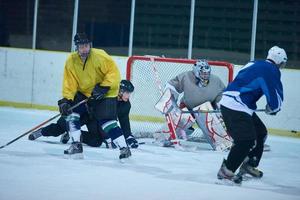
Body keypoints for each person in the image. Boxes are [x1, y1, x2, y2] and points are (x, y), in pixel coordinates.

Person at [28, 33, 131, 159]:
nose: (84, 49)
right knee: (70, 116)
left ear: (90, 45)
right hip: (85, 95)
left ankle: (124, 149)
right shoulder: (71, 61)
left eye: (87, 46)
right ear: (76, 47)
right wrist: (66, 99)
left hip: (105, 94)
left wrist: (104, 86)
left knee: (107, 122)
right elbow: (69, 83)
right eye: (81, 46)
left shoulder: (100, 56)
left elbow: (113, 73)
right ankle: (76, 145)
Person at [217, 46, 287, 184]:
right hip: (236, 105)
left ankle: (249, 164)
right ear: (280, 61)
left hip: (235, 103)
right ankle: (226, 172)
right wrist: (273, 108)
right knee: (245, 141)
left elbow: (242, 81)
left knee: (260, 132)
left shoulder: (254, 62)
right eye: (283, 63)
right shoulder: (272, 70)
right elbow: (275, 94)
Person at [29, 80, 139, 149]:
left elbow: (124, 121)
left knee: (96, 141)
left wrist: (128, 136)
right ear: (120, 91)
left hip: (95, 119)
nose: (129, 96)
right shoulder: (108, 96)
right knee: (60, 127)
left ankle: (72, 133)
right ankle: (42, 132)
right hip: (84, 112)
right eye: (127, 93)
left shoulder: (125, 105)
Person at [157, 59, 229, 149]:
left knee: (222, 141)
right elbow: (171, 87)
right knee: (168, 132)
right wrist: (169, 103)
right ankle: (163, 138)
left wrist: (220, 110)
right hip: (187, 108)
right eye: (203, 73)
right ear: (196, 72)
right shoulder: (186, 76)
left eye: (207, 73)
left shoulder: (216, 80)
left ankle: (222, 143)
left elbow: (222, 96)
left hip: (206, 111)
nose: (205, 75)